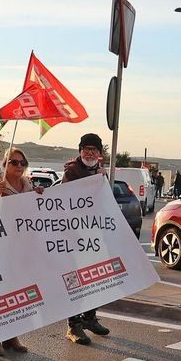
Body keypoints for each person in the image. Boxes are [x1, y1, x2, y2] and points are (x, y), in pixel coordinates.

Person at [0, 148, 41, 356]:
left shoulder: (28, 186)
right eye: (13, 162)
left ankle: (12, 335)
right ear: (5, 165)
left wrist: (39, 196)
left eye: (22, 163)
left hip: (20, 246)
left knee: (16, 291)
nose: (18, 166)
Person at [62, 133, 112, 344]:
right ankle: (73, 325)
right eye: (86, 149)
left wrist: (102, 178)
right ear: (80, 151)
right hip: (74, 236)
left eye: (94, 149)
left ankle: (89, 317)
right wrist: (97, 178)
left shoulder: (100, 173)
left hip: (94, 235)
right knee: (76, 280)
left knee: (97, 278)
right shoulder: (72, 171)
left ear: (99, 153)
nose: (90, 153)